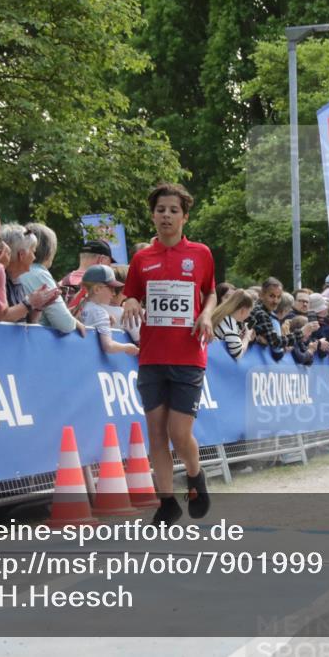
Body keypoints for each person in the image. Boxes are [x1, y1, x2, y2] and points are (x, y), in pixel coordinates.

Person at [121, 183, 216, 526]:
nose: (166, 216)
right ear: (153, 216)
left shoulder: (201, 254)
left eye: (173, 210)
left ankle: (194, 475)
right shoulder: (142, 258)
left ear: (184, 217)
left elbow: (210, 293)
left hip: (188, 355)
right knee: (156, 434)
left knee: (178, 432)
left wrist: (207, 315)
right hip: (151, 356)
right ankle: (166, 502)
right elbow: (131, 293)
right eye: (160, 210)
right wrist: (130, 301)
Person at [20, 223, 86, 336]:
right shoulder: (40, 275)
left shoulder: (15, 269)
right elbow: (65, 324)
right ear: (49, 250)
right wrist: (74, 322)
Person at [80, 265, 138, 356]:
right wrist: (127, 347)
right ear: (97, 289)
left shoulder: (82, 306)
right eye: (111, 288)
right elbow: (108, 346)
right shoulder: (100, 312)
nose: (114, 293)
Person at [60, 239, 113, 308]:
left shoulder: (61, 283)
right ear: (101, 259)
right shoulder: (101, 288)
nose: (110, 266)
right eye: (109, 262)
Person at [246, 277, 286, 360]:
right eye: (272, 296)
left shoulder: (253, 311)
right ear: (261, 295)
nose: (275, 301)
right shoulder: (270, 318)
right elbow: (278, 353)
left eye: (278, 297)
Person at [211, 288, 254, 359]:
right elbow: (238, 354)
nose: (249, 315)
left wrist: (238, 338)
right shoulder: (230, 323)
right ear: (243, 310)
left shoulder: (223, 316)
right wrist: (247, 336)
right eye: (250, 311)